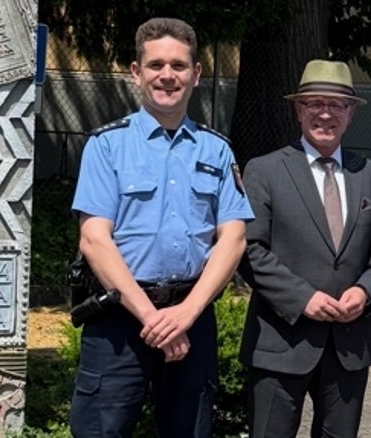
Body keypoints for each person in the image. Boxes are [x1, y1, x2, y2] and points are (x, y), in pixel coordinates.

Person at [69, 17, 254, 437]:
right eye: (155, 65)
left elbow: (234, 238)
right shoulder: (106, 146)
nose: (167, 76)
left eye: (178, 65)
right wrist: (153, 317)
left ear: (196, 74)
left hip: (192, 315)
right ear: (136, 73)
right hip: (119, 319)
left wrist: (185, 314)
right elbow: (94, 240)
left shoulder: (217, 150)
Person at [237, 59, 371, 437]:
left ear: (350, 113)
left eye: (337, 105)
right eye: (314, 103)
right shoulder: (265, 170)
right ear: (298, 110)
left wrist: (366, 290)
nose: (325, 113)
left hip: (349, 343)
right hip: (281, 339)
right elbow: (250, 249)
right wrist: (301, 298)